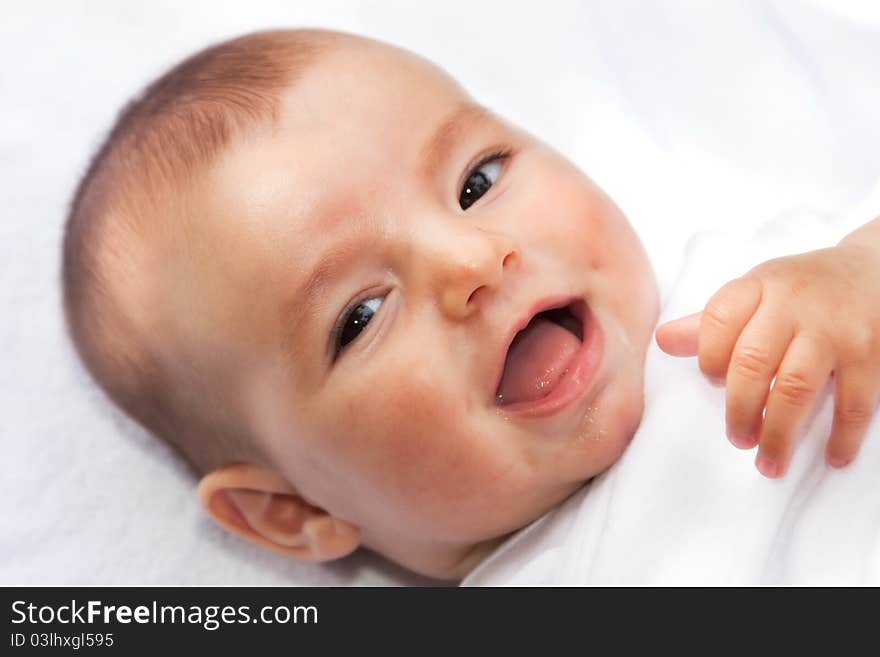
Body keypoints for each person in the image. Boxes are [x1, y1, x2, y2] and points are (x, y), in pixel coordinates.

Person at [61, 29, 880, 580]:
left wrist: (858, 275)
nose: (472, 262)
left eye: (476, 181)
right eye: (361, 315)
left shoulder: (756, 286)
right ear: (292, 509)